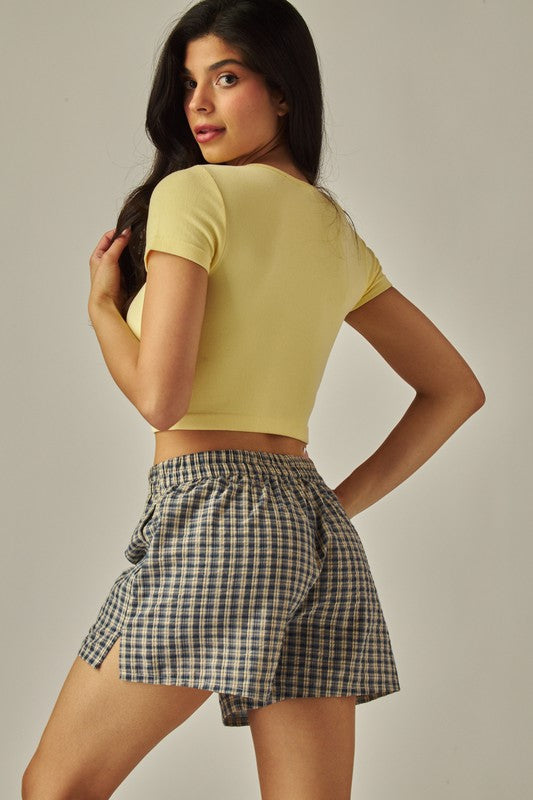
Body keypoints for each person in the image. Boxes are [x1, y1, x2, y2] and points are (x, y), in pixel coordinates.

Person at [21, 1, 485, 798]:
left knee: (55, 787)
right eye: (188, 82)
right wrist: (332, 507)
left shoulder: (194, 194)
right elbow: (455, 391)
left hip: (210, 513)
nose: (198, 103)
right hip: (314, 536)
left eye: (226, 77)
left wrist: (101, 311)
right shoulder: (337, 233)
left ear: (283, 91)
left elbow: (161, 399)